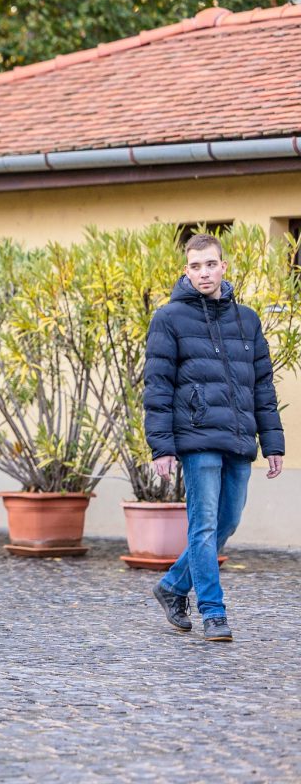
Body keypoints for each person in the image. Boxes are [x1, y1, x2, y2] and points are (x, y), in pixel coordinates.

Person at [144, 233, 284, 641]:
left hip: (239, 437)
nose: (203, 273)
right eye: (195, 266)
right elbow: (157, 387)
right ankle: (213, 611)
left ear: (223, 267)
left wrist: (272, 442)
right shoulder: (168, 319)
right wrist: (162, 447)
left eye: (210, 264)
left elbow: (262, 386)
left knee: (228, 521)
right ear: (186, 271)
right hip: (197, 436)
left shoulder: (248, 320)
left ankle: (172, 586)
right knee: (203, 525)